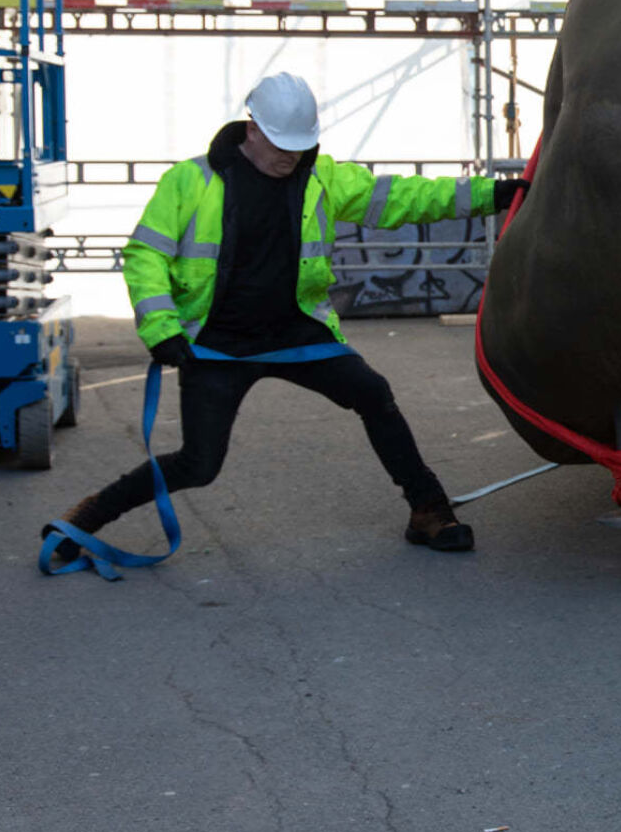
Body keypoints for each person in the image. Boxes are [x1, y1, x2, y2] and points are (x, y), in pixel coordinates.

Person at [44, 72, 528, 558]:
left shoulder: (322, 178)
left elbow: (403, 197)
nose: (289, 156)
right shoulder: (190, 182)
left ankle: (429, 510)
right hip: (218, 344)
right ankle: (85, 519)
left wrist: (492, 195)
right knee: (198, 464)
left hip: (300, 333)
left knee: (373, 393)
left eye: (299, 146)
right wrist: (161, 327)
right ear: (251, 128)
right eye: (280, 144)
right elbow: (146, 255)